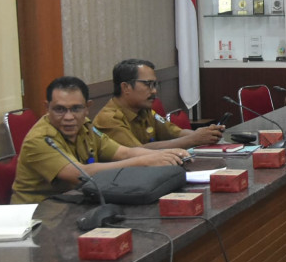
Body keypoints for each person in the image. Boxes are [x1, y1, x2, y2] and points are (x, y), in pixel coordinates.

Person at [11, 76, 188, 204]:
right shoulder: (40, 139)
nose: (69, 117)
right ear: (46, 108)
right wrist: (146, 160)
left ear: (87, 108)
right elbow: (81, 174)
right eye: (59, 109)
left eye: (76, 109)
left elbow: (123, 152)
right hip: (37, 215)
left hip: (72, 203)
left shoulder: (85, 127)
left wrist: (165, 155)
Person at [92, 59, 224, 149]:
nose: (154, 90)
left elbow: (175, 133)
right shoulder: (109, 119)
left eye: (154, 84)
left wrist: (205, 134)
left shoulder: (144, 110)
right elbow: (137, 151)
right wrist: (193, 139)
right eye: (148, 84)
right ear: (126, 87)